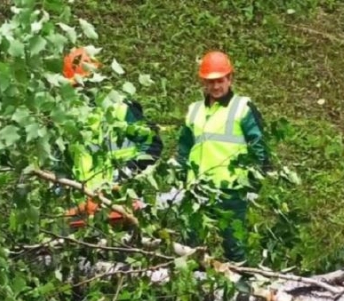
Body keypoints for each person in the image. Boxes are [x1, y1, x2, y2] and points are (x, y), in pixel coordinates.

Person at [175, 50, 272, 262]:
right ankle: (195, 287)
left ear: (230, 78)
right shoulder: (194, 110)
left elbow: (259, 148)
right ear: (203, 82)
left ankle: (242, 289)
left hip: (231, 191)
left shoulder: (242, 108)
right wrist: (177, 175)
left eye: (220, 81)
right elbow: (184, 147)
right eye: (210, 82)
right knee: (189, 247)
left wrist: (255, 183)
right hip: (198, 190)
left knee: (234, 248)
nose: (216, 87)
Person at [63, 47, 162, 193]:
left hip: (122, 197)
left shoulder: (120, 108)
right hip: (85, 201)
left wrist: (124, 174)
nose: (78, 91)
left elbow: (153, 145)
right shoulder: (70, 117)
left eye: (81, 84)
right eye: (74, 86)